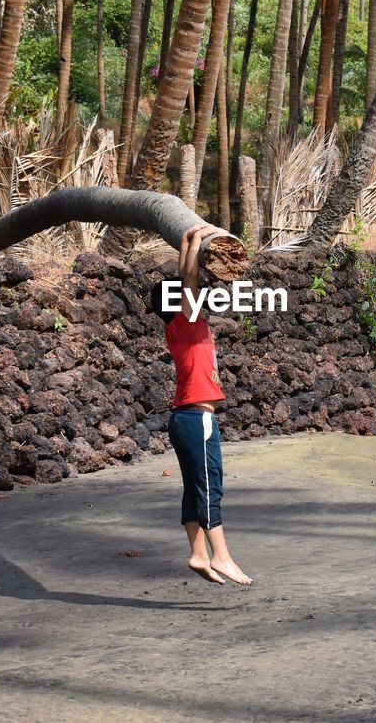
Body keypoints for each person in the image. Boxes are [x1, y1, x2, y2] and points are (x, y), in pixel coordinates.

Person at [147, 224, 253, 586]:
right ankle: (222, 557)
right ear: (177, 303)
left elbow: (185, 276)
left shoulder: (184, 327)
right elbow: (188, 277)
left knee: (195, 488)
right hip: (196, 419)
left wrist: (187, 243)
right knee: (210, 489)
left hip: (188, 418)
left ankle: (197, 553)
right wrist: (194, 239)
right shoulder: (187, 322)